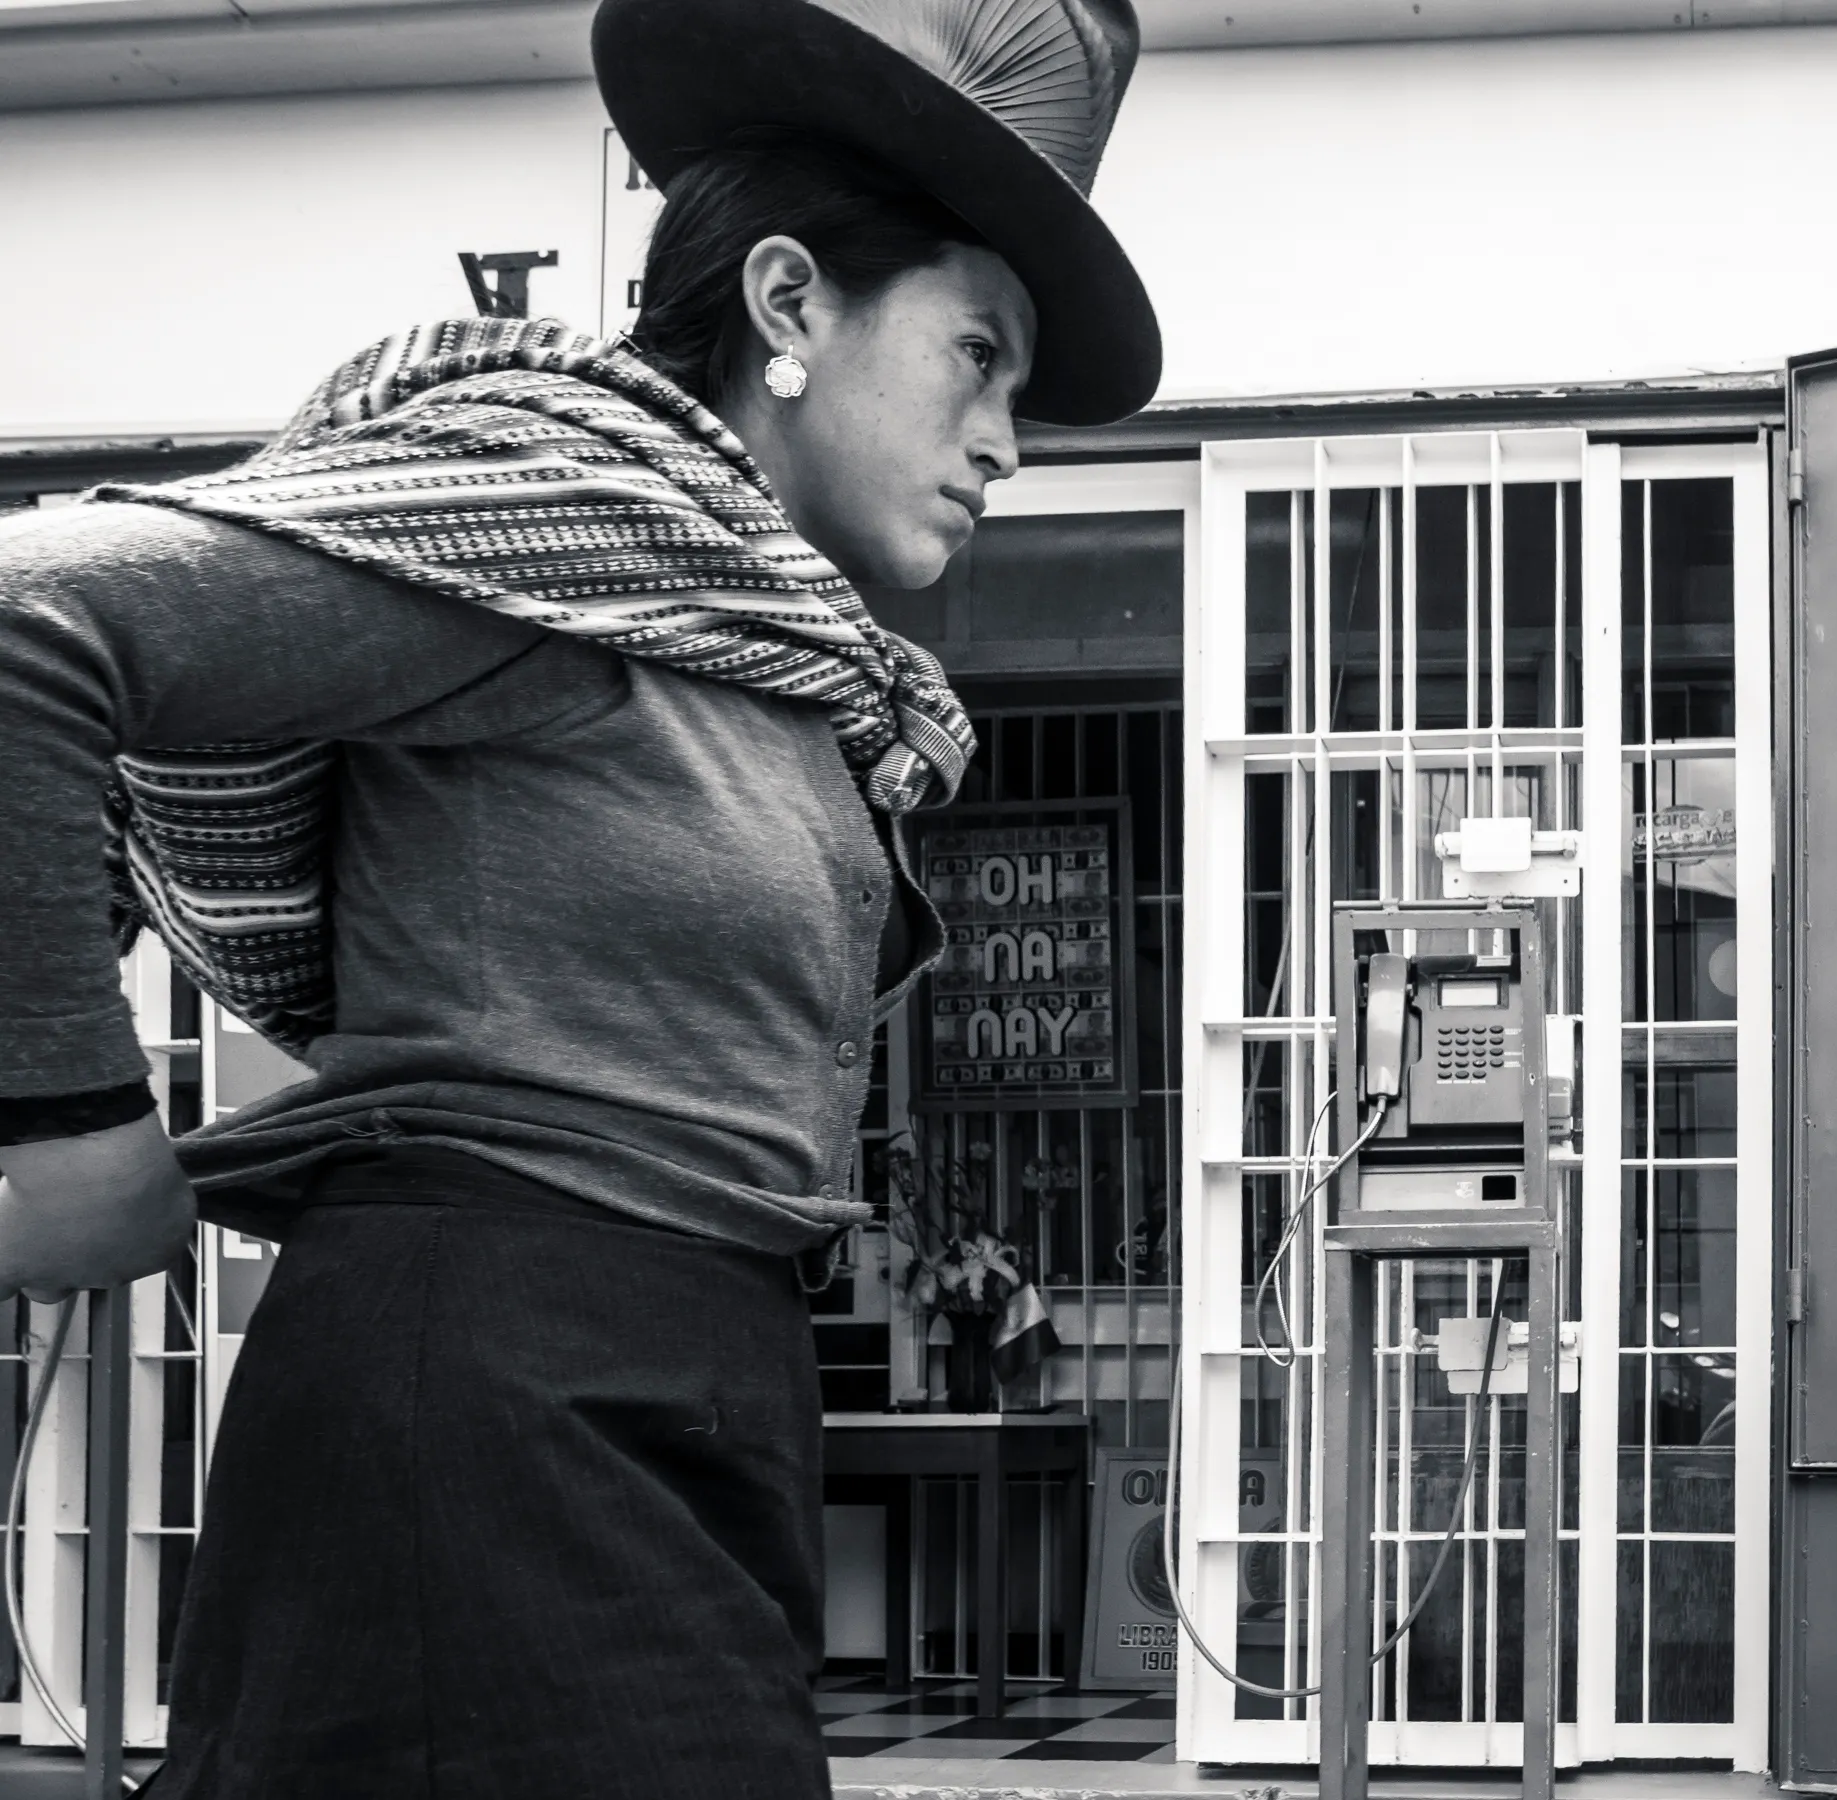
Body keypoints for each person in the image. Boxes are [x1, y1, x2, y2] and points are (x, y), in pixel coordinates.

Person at [0, 1, 1159, 1794]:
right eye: (976, 357)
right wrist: (67, 1115)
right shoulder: (548, 531)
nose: (1007, 439)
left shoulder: (777, 662)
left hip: (692, 1379)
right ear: (790, 306)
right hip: (486, 1389)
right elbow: (30, 629)